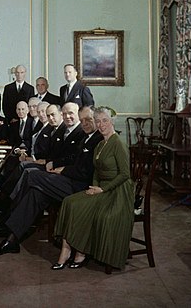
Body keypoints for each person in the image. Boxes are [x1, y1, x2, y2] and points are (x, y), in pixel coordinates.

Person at [0, 106, 103, 255]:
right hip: (67, 179)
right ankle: (11, 240)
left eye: (89, 120)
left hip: (80, 187)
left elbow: (85, 170)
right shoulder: (87, 136)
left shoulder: (97, 138)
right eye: (83, 120)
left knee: (32, 175)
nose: (85, 123)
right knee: (35, 193)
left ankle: (7, 215)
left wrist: (62, 170)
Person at [52, 107, 134, 270]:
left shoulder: (118, 143)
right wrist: (95, 187)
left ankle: (80, 252)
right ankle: (67, 249)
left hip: (117, 192)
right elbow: (96, 170)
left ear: (111, 121)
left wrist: (102, 190)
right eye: (98, 121)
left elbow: (125, 174)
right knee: (69, 201)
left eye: (104, 120)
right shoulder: (100, 144)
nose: (101, 124)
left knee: (78, 206)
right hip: (101, 189)